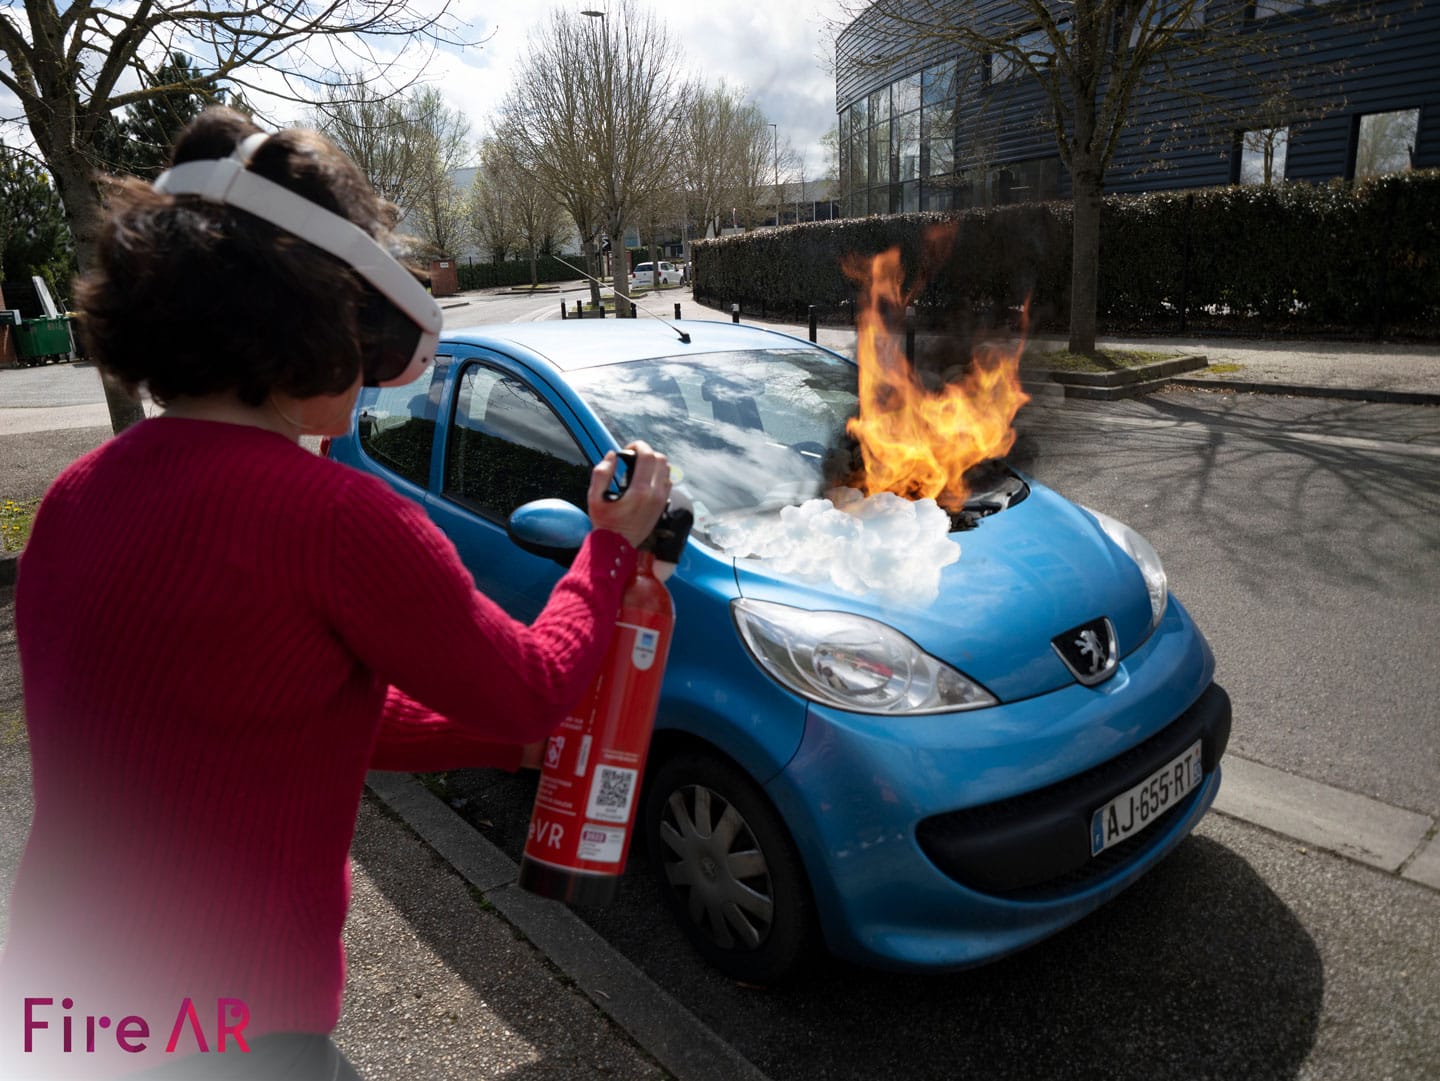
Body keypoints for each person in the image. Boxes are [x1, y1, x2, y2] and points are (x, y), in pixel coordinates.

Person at [0, 107, 670, 1080]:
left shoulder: (75, 495)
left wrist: (503, 746)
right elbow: (534, 681)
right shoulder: (334, 519)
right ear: (317, 317)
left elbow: (277, 703)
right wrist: (607, 551)